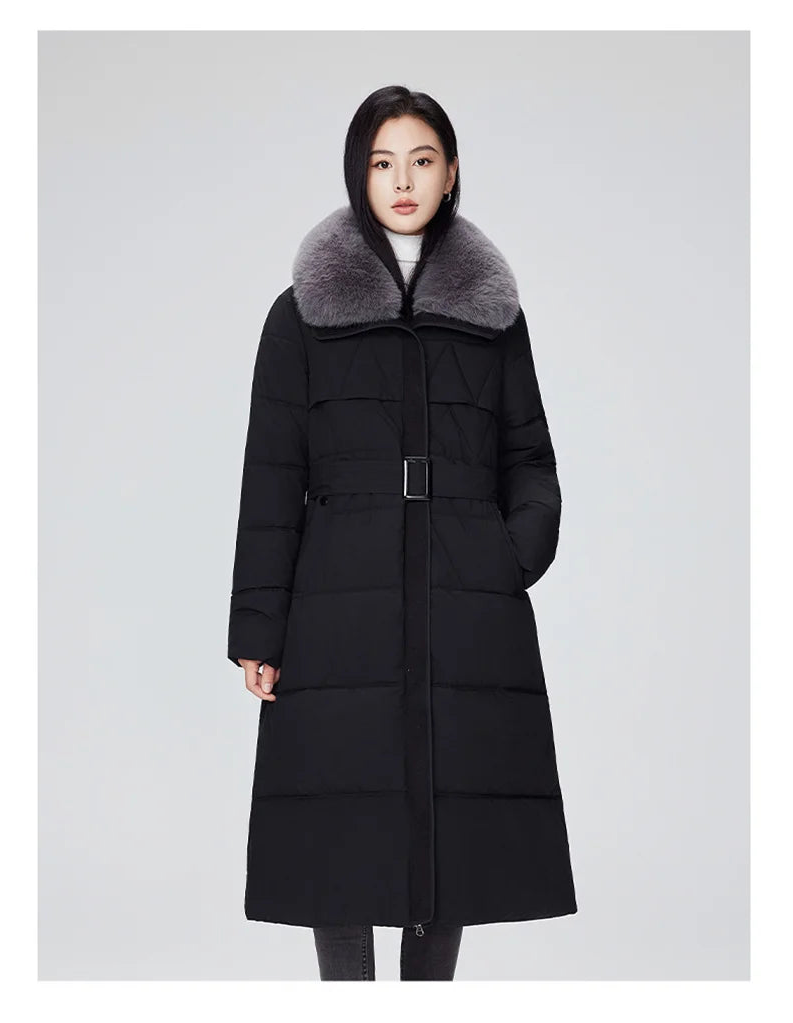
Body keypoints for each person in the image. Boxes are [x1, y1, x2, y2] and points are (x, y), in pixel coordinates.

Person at [227, 85, 577, 981]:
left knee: (450, 826)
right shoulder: (301, 314)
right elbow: (273, 477)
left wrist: (508, 556)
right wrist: (260, 628)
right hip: (336, 599)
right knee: (339, 828)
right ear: (359, 175)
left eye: (422, 160)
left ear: (451, 171)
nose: (403, 181)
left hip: (466, 596)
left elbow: (530, 457)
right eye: (383, 163)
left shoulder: (493, 317)